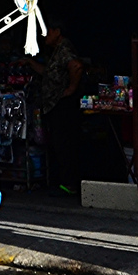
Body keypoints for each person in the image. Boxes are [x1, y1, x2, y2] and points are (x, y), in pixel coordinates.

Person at [27, 21, 85, 194]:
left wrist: (71, 88)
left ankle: (69, 184)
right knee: (58, 143)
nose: (45, 36)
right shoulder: (56, 52)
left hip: (62, 104)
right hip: (54, 104)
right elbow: (49, 72)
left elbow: (76, 66)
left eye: (48, 31)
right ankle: (64, 182)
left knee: (64, 142)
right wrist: (30, 63)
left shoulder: (64, 49)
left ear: (57, 31)